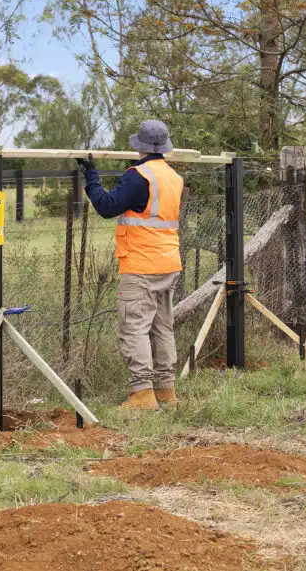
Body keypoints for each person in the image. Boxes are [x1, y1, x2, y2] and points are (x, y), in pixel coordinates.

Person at [76, 120, 183, 410]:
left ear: (140, 147)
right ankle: (165, 391)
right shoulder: (173, 176)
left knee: (134, 327)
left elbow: (107, 206)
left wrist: (91, 176)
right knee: (162, 327)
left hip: (141, 263)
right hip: (168, 261)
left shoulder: (139, 176)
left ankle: (142, 394)